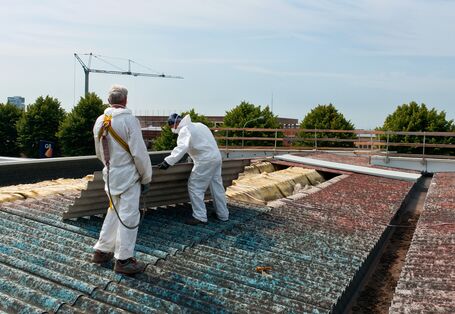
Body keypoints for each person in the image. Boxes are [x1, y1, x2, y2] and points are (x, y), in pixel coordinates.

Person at [91, 85, 152, 275]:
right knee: (128, 216)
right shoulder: (129, 121)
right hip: (128, 177)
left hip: (110, 175)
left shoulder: (100, 121)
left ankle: (102, 250)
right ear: (125, 100)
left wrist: (112, 168)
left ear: (109, 101)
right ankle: (124, 260)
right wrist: (146, 177)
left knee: (113, 212)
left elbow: (99, 153)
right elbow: (140, 154)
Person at [158, 113, 229, 225]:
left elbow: (182, 147)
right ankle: (223, 214)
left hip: (205, 160)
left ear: (175, 123)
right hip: (216, 157)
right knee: (217, 186)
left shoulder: (184, 129)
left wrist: (168, 161)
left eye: (171, 127)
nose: (172, 129)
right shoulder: (200, 125)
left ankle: (200, 216)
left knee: (195, 186)